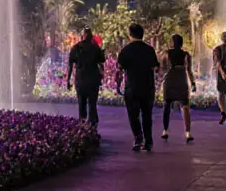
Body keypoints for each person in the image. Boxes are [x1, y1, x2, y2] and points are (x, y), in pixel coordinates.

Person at [116, 23, 160, 152]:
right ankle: (149, 141)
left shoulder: (125, 50)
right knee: (147, 114)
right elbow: (156, 68)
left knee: (133, 115)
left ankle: (138, 138)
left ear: (130, 35)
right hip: (147, 87)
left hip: (132, 87)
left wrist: (118, 86)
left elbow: (119, 70)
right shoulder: (149, 50)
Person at [66, 28, 106, 138]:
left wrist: (68, 80)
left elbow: (70, 65)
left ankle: (83, 127)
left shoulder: (76, 48)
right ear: (91, 36)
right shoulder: (95, 47)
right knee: (92, 104)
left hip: (81, 80)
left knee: (81, 103)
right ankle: (92, 127)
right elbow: (102, 60)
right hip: (93, 80)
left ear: (82, 36)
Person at [161, 34, 196, 142]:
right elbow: (189, 71)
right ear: (181, 43)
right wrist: (193, 83)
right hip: (182, 80)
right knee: (185, 106)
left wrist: (160, 79)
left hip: (170, 80)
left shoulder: (166, 54)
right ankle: (188, 132)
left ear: (172, 42)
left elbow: (162, 68)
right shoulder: (186, 55)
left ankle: (165, 131)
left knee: (167, 105)